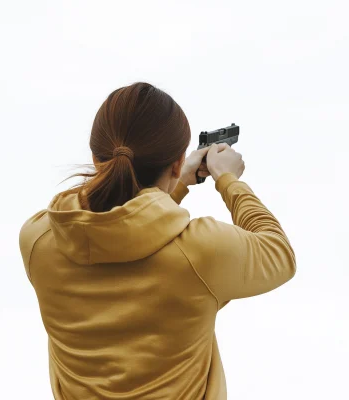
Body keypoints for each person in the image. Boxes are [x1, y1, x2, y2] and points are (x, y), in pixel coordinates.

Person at [19, 82, 296, 400]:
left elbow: (117, 233)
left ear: (97, 158)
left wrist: (175, 186)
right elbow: (278, 253)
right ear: (177, 164)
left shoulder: (37, 240)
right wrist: (228, 180)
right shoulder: (201, 253)